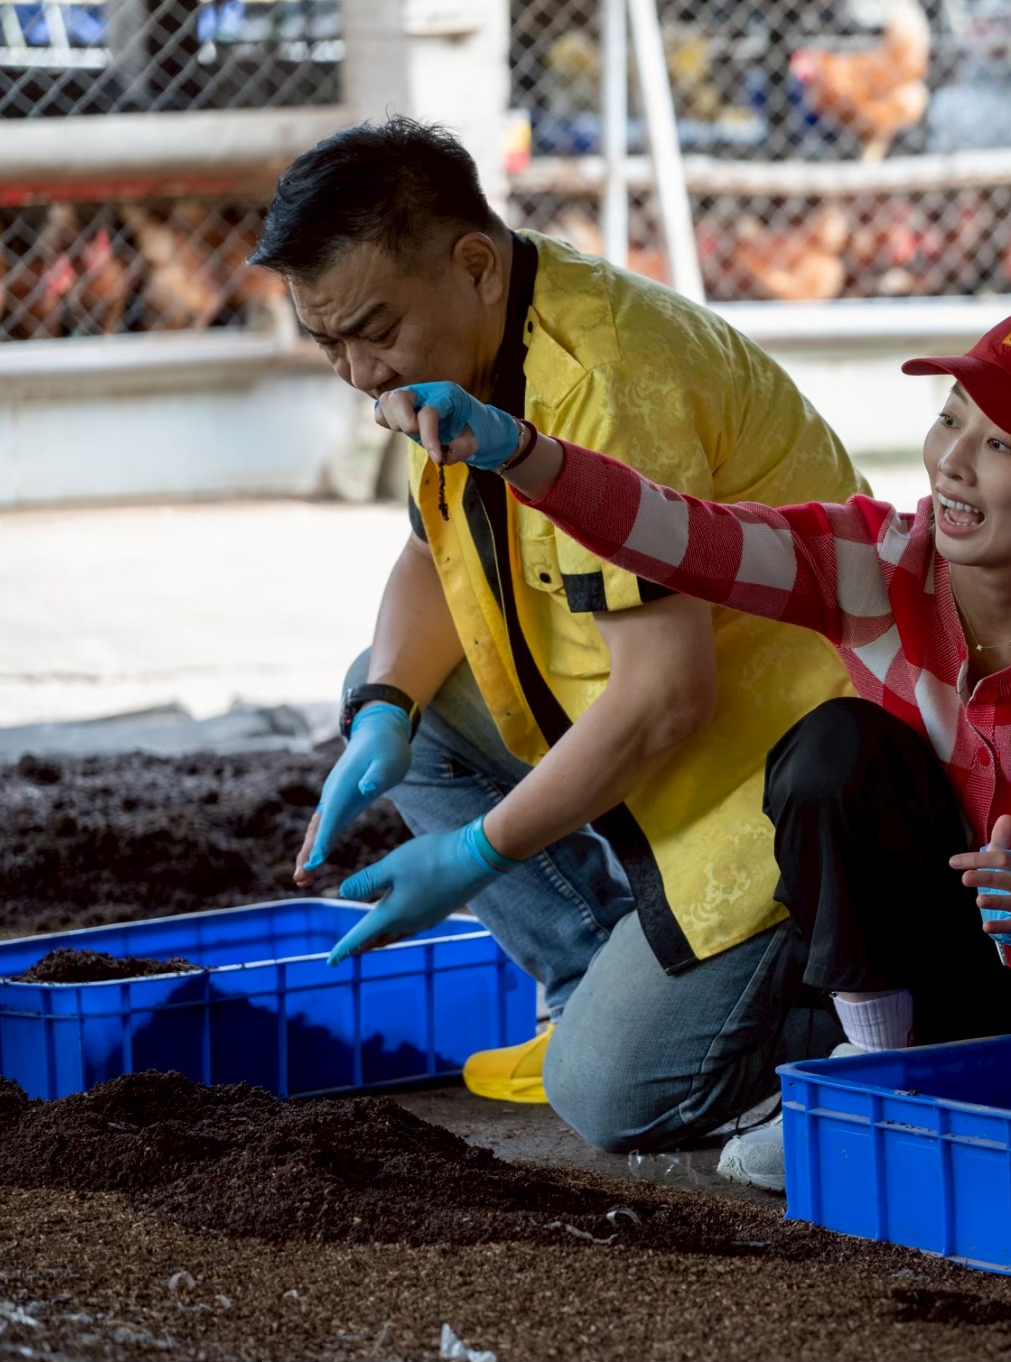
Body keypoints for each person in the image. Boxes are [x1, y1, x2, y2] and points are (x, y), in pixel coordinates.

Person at [372, 303, 1011, 1190]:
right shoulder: (873, 561)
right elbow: (683, 537)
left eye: (999, 442)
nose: (951, 459)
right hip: (941, 979)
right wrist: (523, 455)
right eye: (951, 417)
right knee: (834, 746)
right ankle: (877, 1083)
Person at [256, 116, 868, 1153]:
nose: (358, 374)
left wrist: (472, 851)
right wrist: (384, 715)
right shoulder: (462, 349)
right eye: (329, 343)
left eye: (372, 330)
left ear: (475, 265)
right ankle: (592, 981)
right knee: (386, 686)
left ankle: (846, 1015)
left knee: (610, 1100)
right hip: (647, 738)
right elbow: (435, 554)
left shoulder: (611, 383)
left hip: (775, 783)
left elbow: (667, 697)